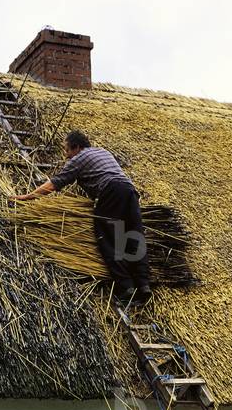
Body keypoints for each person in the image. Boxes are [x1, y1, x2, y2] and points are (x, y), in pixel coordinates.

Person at [11, 130, 151, 306]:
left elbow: (54, 184)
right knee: (134, 236)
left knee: (108, 239)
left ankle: (126, 288)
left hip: (111, 191)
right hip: (129, 191)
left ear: (76, 147)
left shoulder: (79, 159)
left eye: (67, 149)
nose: (66, 155)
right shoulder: (102, 152)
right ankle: (143, 285)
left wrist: (27, 197)